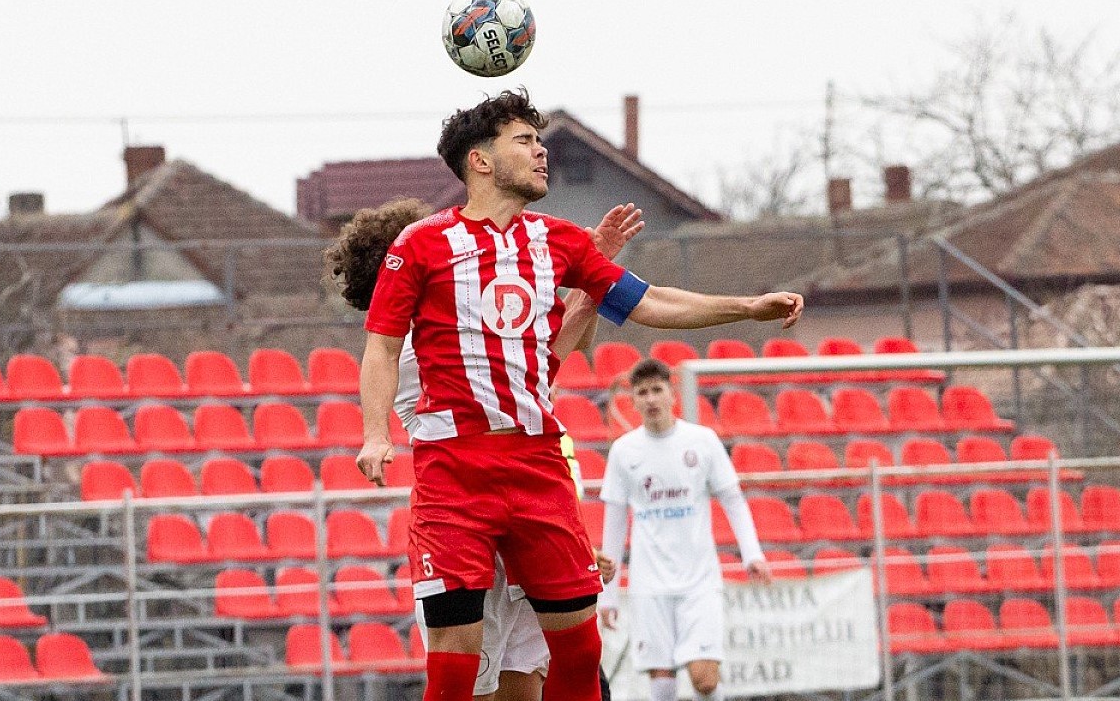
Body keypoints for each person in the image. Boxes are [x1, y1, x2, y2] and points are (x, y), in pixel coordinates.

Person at [354, 88, 803, 701]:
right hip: (454, 470)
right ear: (480, 161)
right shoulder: (421, 244)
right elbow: (381, 346)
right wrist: (374, 434)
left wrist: (746, 307)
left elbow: (646, 301)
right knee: (455, 669)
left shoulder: (558, 241)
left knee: (582, 652)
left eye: (540, 140)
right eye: (524, 141)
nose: (542, 152)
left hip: (537, 466)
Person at [325, 197, 638, 700]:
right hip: (471, 535)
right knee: (479, 691)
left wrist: (587, 276)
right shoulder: (419, 344)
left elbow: (548, 357)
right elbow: (547, 354)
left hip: (526, 517)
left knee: (528, 684)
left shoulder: (471, 323)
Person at [598, 359, 770, 701]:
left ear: (672, 394)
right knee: (661, 680)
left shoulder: (702, 441)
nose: (651, 399)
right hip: (649, 584)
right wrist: (609, 594)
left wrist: (753, 554)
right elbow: (614, 522)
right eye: (642, 392)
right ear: (633, 401)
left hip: (699, 582)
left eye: (657, 390)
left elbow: (733, 500)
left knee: (705, 679)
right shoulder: (624, 451)